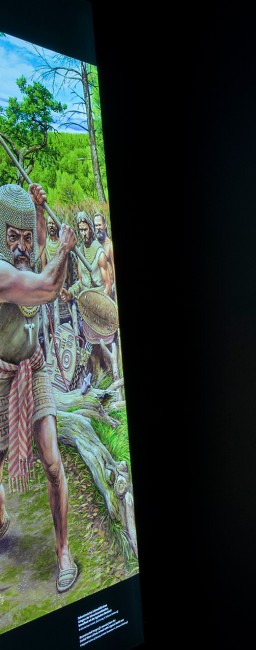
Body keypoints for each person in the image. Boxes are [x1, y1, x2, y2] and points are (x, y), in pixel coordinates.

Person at [0, 181, 79, 592]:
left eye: (25, 236)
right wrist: (66, 249)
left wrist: (41, 223)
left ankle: (64, 551)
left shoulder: (24, 255)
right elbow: (45, 288)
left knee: (52, 462)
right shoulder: (0, 272)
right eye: (12, 236)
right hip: (0, 379)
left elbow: (37, 263)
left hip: (34, 369)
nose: (21, 245)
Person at [60, 211, 117, 381]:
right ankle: (96, 376)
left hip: (101, 308)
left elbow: (107, 284)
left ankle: (112, 376)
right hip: (87, 310)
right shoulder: (80, 254)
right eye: (80, 230)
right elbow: (80, 283)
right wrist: (70, 292)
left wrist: (99, 305)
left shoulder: (99, 253)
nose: (83, 233)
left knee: (106, 346)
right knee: (92, 347)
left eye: (85, 229)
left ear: (91, 230)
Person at [93, 211, 115, 299]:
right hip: (98, 288)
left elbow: (114, 267)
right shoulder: (94, 245)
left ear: (104, 225)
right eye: (96, 225)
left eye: (99, 225)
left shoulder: (110, 245)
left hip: (110, 289)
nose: (98, 228)